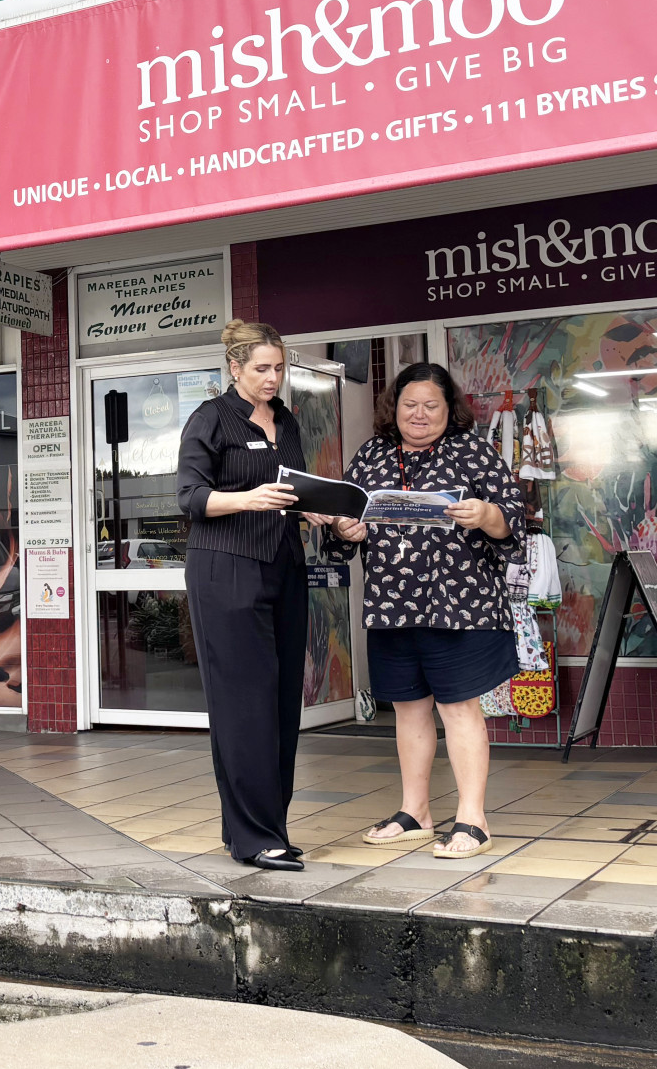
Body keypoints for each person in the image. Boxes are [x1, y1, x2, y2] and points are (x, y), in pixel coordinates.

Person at [322, 362, 525, 859]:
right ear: (395, 407)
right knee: (408, 710)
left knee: (458, 709)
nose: (419, 414)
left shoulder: (472, 450)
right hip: (393, 606)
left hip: (462, 607)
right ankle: (416, 812)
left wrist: (486, 515)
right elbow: (348, 518)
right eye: (410, 404)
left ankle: (472, 820)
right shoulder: (373, 453)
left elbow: (513, 518)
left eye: (431, 405)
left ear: (448, 409)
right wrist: (345, 530)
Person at [176, 319, 325, 872]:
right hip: (226, 569)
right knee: (245, 704)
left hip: (283, 565)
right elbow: (190, 497)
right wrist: (247, 498)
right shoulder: (210, 418)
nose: (272, 377)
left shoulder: (286, 421)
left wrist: (319, 509)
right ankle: (254, 837)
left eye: (279, 367)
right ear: (234, 368)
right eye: (261, 368)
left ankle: (267, 827)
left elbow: (294, 489)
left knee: (283, 701)